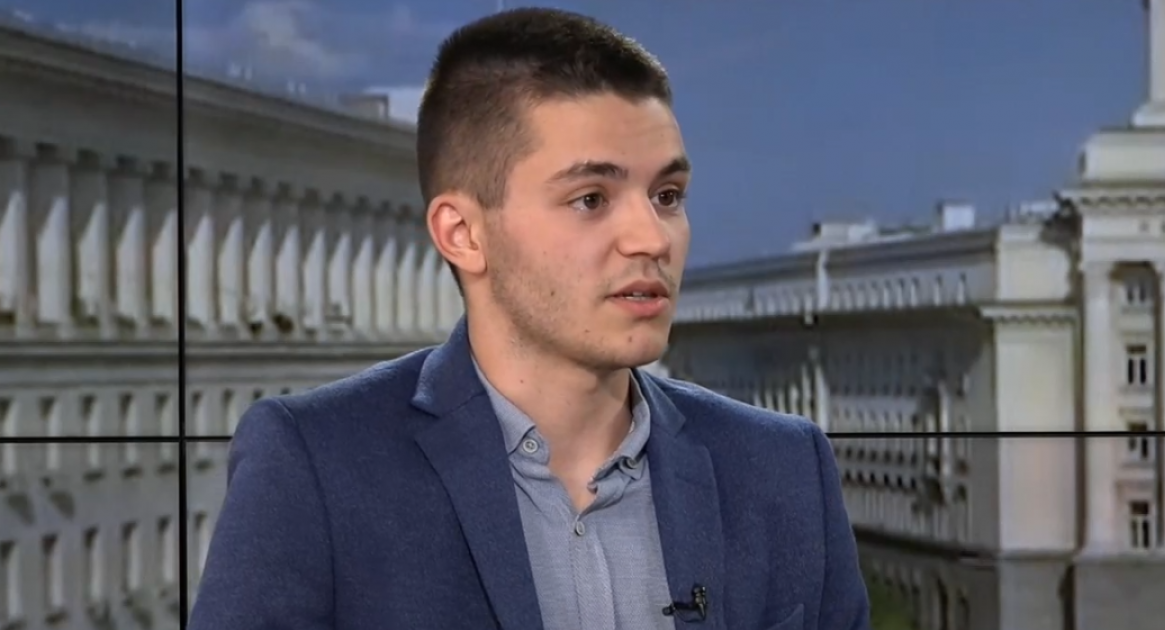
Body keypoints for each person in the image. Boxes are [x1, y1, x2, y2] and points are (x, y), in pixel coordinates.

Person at [188, 7, 871, 630]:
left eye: (667, 195)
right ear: (462, 234)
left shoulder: (783, 471)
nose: (652, 238)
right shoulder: (316, 466)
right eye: (591, 198)